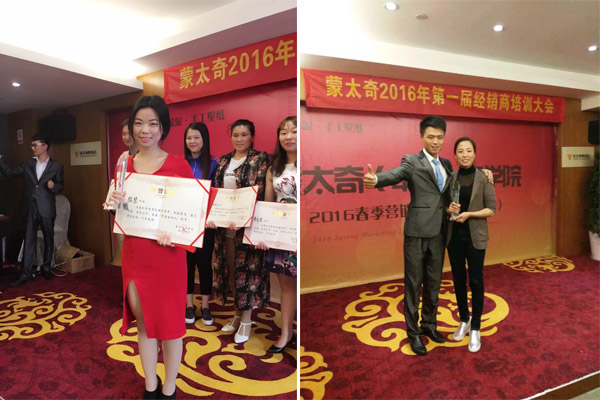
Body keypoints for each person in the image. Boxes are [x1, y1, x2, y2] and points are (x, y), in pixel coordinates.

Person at [109, 95, 190, 399]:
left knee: (170, 326)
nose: (145, 130)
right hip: (135, 255)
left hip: (168, 257)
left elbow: (192, 214)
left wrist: (176, 232)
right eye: (139, 123)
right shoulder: (123, 165)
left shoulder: (179, 164)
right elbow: (119, 209)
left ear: (163, 127)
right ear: (132, 127)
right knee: (143, 324)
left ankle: (169, 388)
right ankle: (150, 385)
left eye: (153, 123)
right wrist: (112, 203)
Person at [209, 119, 269, 344]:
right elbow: (216, 192)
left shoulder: (259, 159)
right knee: (231, 270)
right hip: (225, 226)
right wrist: (215, 216)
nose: (239, 139)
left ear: (251, 136)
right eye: (235, 135)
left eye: (244, 135)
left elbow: (260, 192)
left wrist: (243, 217)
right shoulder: (224, 161)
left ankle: (246, 320)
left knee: (248, 273)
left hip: (247, 226)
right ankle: (237, 313)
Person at [446, 137, 496, 353]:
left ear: (475, 154)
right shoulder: (451, 178)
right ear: (455, 155)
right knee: (458, 280)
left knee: (475, 281)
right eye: (460, 151)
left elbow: (491, 209)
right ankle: (464, 320)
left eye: (468, 151)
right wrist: (449, 209)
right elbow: (444, 205)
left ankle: (475, 327)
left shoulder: (484, 178)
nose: (465, 155)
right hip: (454, 238)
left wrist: (469, 214)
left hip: (475, 237)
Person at [0, 133, 64, 286]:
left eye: (35, 145)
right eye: (32, 145)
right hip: (29, 207)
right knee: (29, 239)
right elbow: (10, 173)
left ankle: (46, 268)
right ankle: (26, 273)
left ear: (45, 146)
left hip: (46, 207)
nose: (32, 148)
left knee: (49, 238)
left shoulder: (56, 166)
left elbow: (60, 185)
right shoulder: (28, 163)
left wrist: (53, 186)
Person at [257, 116, 297, 353]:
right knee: (287, 286)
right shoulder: (274, 168)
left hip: (305, 235)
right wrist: (264, 234)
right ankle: (286, 332)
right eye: (283, 132)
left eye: (294, 131)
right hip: (283, 235)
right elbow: (268, 204)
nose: (289, 136)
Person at [183, 122, 217, 325]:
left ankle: (205, 306)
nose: (192, 141)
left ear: (204, 139)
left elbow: (217, 195)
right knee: (186, 265)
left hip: (206, 225)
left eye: (196, 137)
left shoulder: (214, 163)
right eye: (189, 138)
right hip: (184, 223)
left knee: (204, 265)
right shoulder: (180, 163)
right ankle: (189, 305)